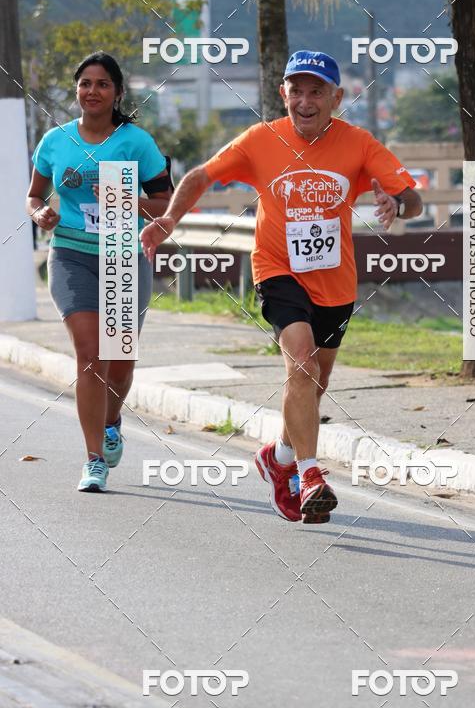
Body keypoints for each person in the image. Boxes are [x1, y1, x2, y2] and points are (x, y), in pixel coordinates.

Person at [140, 50, 422, 523]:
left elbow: (412, 199)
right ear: (282, 93)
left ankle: (280, 459)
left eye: (316, 92)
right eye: (297, 90)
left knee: (314, 382)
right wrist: (169, 218)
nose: (305, 101)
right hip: (277, 268)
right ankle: (310, 475)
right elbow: (201, 175)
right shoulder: (261, 140)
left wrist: (396, 202)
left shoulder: (359, 144)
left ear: (336, 97)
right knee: (303, 363)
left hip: (335, 281)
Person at [26, 52, 172, 493]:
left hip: (122, 256)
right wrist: (39, 216)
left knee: (120, 363)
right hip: (70, 253)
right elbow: (33, 196)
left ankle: (111, 421)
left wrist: (127, 199)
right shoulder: (55, 140)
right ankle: (93, 461)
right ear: (76, 90)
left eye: (103, 84)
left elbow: (166, 203)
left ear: (118, 93)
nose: (93, 91)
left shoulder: (135, 141)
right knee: (90, 355)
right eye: (85, 83)